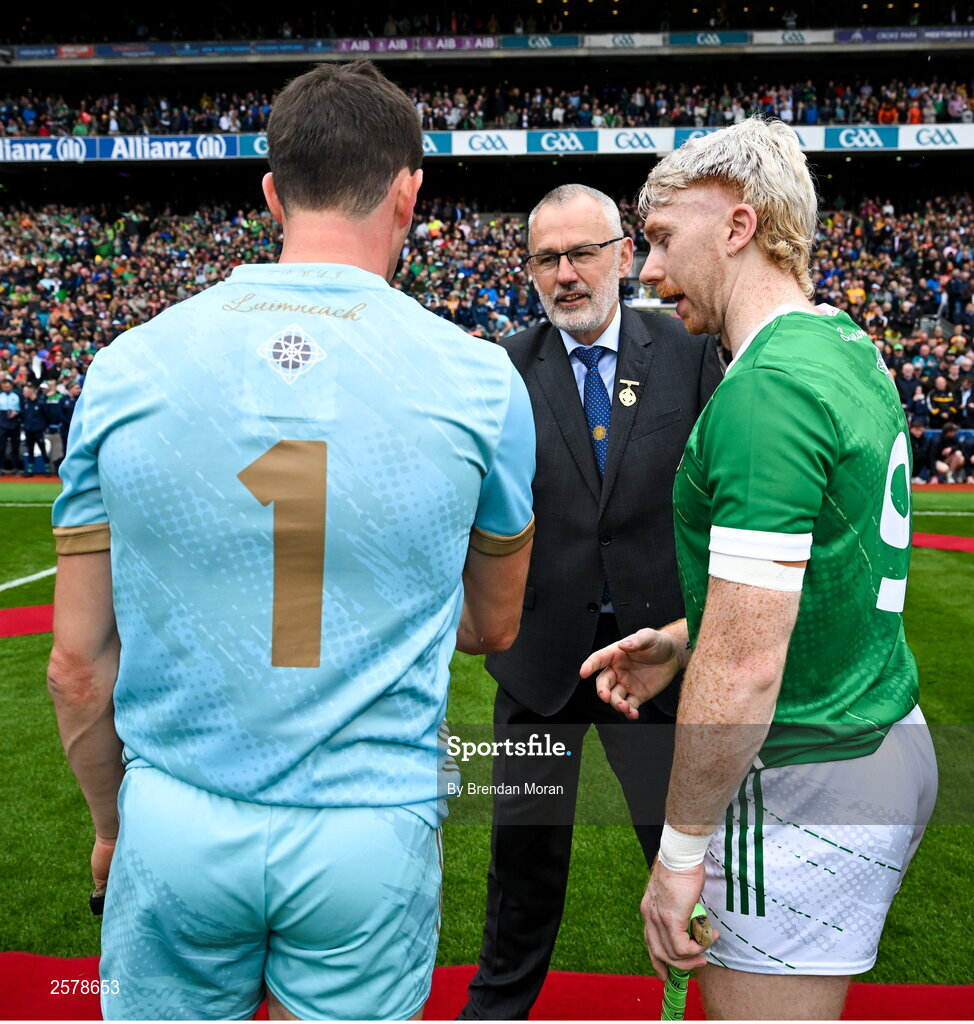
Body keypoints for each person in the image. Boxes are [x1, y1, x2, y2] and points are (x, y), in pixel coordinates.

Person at [48, 60, 536, 1022]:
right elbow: (493, 625)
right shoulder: (481, 381)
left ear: (271, 191)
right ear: (409, 195)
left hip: (179, 811)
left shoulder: (126, 367)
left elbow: (75, 662)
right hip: (370, 823)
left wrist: (112, 827)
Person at [581, 117, 937, 1021]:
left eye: (661, 238)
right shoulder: (844, 346)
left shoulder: (764, 389)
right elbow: (815, 576)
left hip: (806, 770)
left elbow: (745, 670)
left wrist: (679, 856)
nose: (648, 272)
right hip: (879, 734)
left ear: (738, 227)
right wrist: (679, 638)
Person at [459, 183, 722, 1021]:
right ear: (529, 269)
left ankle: (720, 1001)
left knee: (680, 852)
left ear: (622, 255)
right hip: (540, 667)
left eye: (583, 253)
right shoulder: (501, 366)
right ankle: (497, 1007)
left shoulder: (685, 349)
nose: (566, 274)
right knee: (523, 866)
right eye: (547, 258)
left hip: (659, 667)